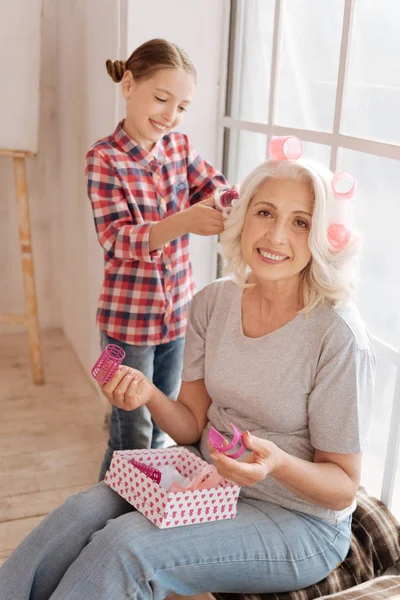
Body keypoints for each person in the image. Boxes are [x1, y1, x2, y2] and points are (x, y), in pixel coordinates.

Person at [0, 155, 376, 600]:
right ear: (242, 215)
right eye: (265, 212)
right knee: (80, 512)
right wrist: (148, 394)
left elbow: (340, 488)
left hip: (297, 521)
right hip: (205, 483)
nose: (276, 235)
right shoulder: (213, 303)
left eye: (300, 222)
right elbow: (191, 426)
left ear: (321, 236)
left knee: (128, 548)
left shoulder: (338, 335)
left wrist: (275, 463)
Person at [86, 38, 228, 479]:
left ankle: (148, 512)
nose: (170, 115)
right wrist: (182, 221)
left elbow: (219, 189)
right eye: (162, 99)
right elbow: (116, 238)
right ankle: (110, 520)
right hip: (127, 326)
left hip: (176, 318)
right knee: (130, 431)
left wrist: (246, 199)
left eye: (182, 106)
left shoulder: (179, 148)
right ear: (129, 84)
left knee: (165, 421)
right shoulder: (104, 158)